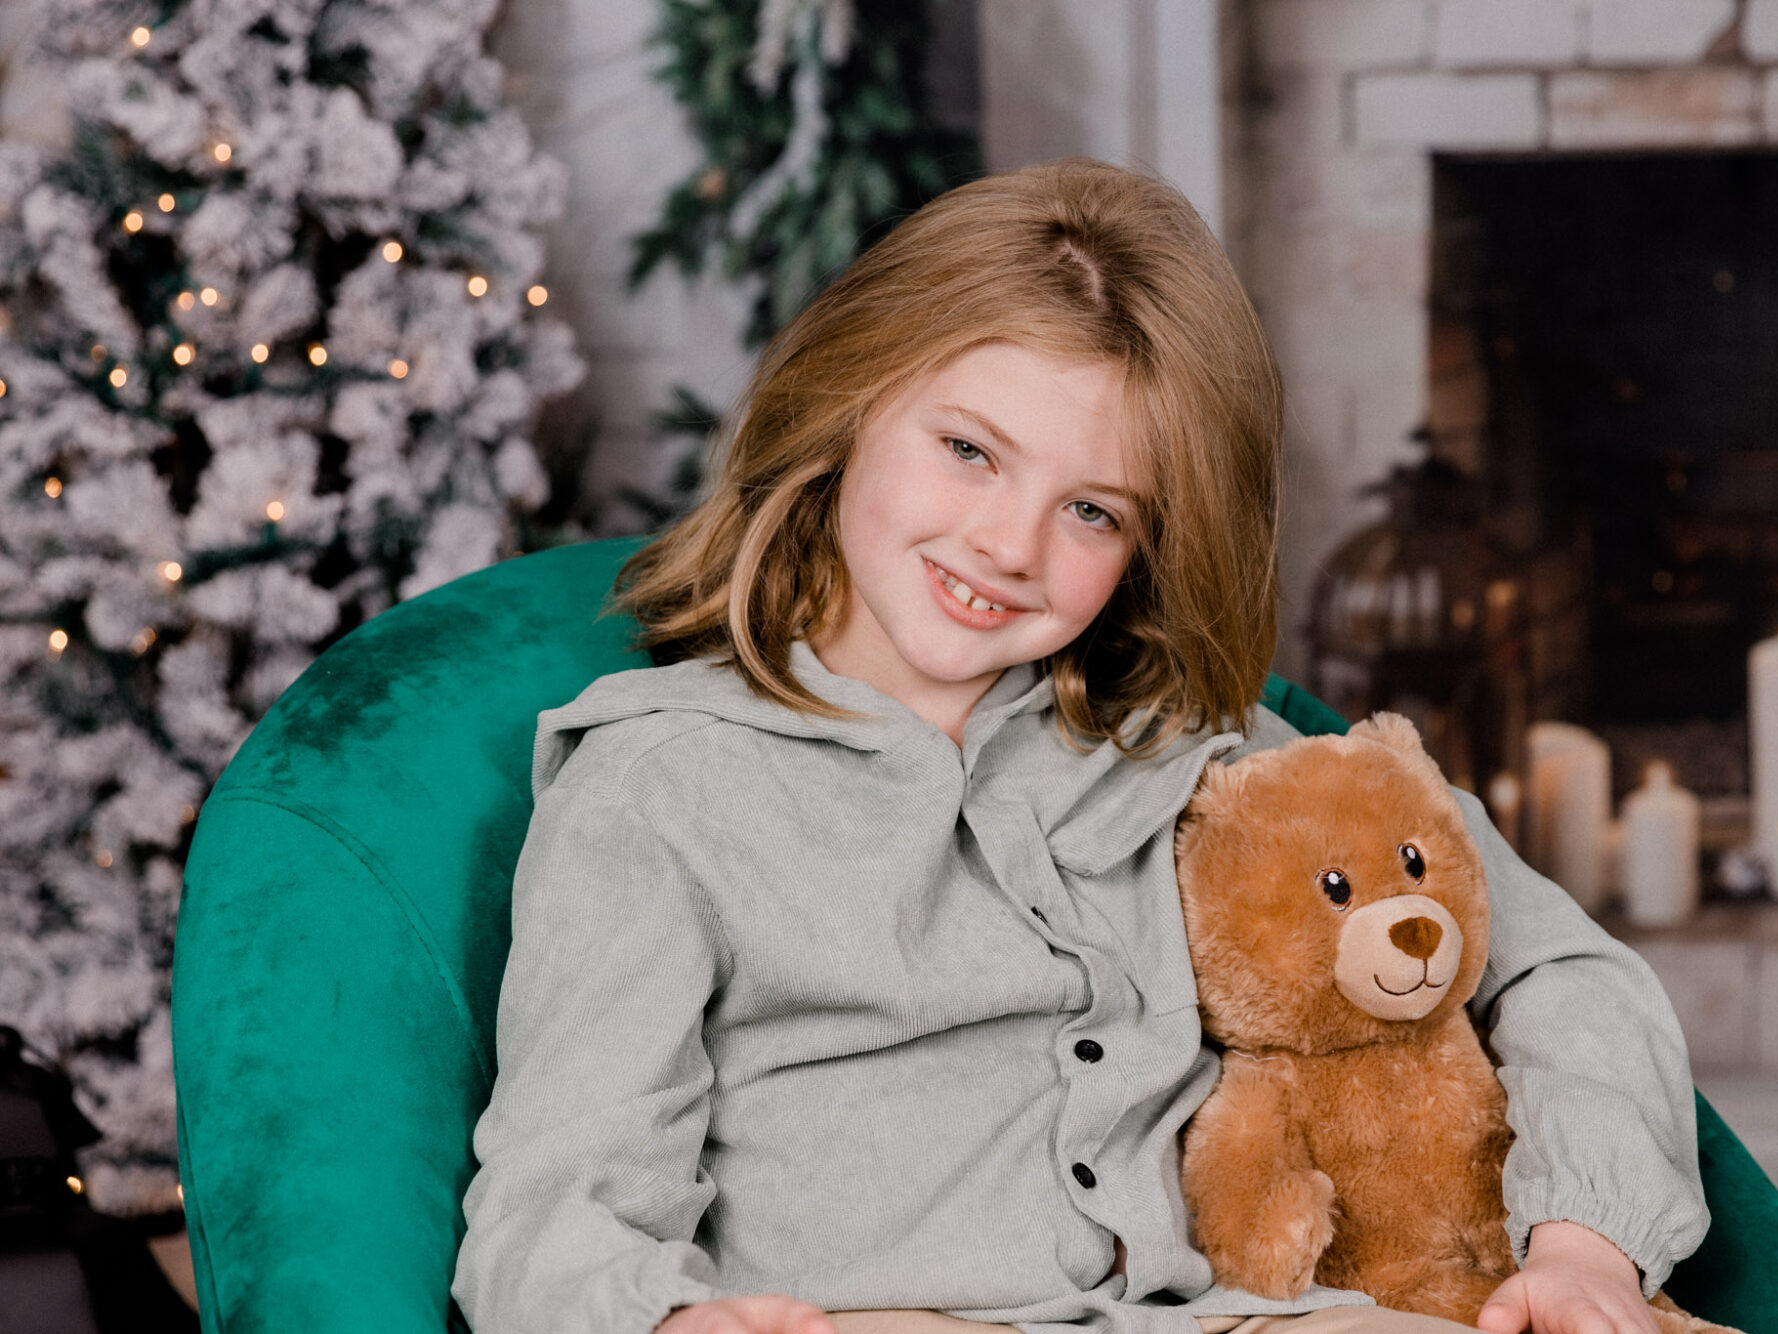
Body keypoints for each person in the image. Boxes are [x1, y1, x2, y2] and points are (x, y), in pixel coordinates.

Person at [451, 160, 1709, 1334]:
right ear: (847, 399)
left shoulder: (1197, 753)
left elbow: (1557, 966)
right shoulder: (660, 789)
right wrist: (667, 1317)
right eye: (967, 451)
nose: (1008, 544)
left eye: (1092, 510)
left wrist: (1586, 1236)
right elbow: (552, 1206)